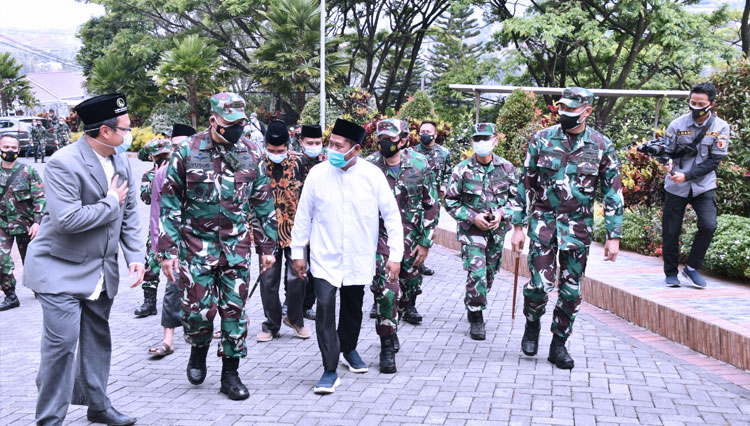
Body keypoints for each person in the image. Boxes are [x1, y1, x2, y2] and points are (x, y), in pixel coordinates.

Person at [24, 93, 146, 426]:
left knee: (97, 340)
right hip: (59, 268)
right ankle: (49, 418)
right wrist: (109, 201)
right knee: (62, 345)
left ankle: (98, 406)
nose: (129, 132)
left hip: (100, 270)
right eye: (125, 127)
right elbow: (67, 220)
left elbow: (131, 211)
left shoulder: (120, 161)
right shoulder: (63, 162)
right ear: (104, 131)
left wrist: (135, 255)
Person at [158, 92, 278, 400]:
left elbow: (263, 202)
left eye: (241, 123)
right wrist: (167, 250)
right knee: (197, 312)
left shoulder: (251, 152)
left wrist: (268, 247)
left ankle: (231, 373)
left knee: (233, 312)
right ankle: (198, 348)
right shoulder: (187, 151)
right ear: (213, 121)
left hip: (236, 247)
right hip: (196, 246)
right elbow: (169, 202)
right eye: (230, 123)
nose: (237, 129)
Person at [510, 87, 623, 370]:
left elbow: (612, 192)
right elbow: (525, 184)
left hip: (578, 229)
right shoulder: (542, 139)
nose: (565, 115)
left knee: (571, 292)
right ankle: (532, 323)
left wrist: (614, 236)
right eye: (562, 109)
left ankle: (559, 344)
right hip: (543, 224)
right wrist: (517, 226)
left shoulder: (601, 145)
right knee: (538, 286)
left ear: (587, 111)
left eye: (572, 111)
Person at [291, 118, 404, 394]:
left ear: (355, 150)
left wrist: (396, 255)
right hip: (324, 256)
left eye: (338, 146)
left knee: (353, 307)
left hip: (357, 255)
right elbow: (303, 216)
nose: (331, 150)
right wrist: (297, 252)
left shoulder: (372, 175)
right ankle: (329, 369)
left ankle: (349, 349)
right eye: (330, 144)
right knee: (325, 308)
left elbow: (392, 216)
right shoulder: (318, 174)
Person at [365, 118, 438, 373]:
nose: (385, 144)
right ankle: (387, 342)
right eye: (381, 140)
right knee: (385, 290)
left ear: (404, 140)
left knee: (406, 292)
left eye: (391, 140)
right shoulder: (370, 166)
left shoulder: (420, 164)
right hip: (382, 240)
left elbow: (432, 205)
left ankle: (395, 317)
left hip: (412, 239)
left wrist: (426, 243)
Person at [444, 123, 520, 341]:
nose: (481, 143)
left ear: (495, 141)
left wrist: (502, 214)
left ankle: (475, 300)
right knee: (476, 272)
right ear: (472, 142)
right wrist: (472, 217)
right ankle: (476, 315)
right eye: (477, 139)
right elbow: (450, 200)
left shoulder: (506, 169)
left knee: (489, 272)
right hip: (472, 232)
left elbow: (517, 200)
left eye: (486, 139)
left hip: (496, 232)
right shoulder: (462, 170)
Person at [662, 82, 730, 289]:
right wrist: (667, 163)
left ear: (711, 104)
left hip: (703, 185)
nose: (696, 107)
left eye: (701, 103)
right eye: (692, 102)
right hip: (676, 186)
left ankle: (692, 268)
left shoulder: (721, 127)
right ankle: (671, 273)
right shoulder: (676, 125)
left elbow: (714, 161)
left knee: (709, 225)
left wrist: (688, 175)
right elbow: (666, 152)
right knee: (671, 230)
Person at [256, 120, 311, 342]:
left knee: (298, 278)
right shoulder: (257, 163)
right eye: (271, 150)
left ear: (288, 146)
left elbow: (309, 195)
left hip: (295, 229)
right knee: (268, 281)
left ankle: (296, 320)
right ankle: (271, 325)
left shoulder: (301, 162)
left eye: (280, 151)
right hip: (266, 230)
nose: (275, 154)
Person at [0, 135, 45, 311]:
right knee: (1, 260)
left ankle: (39, 289)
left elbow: (40, 198)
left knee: (32, 261)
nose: (9, 151)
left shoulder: (28, 171)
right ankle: (10, 294)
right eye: (6, 147)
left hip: (26, 226)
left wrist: (37, 222)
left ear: (19, 150)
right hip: (2, 225)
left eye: (13, 147)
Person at [295, 124, 326, 321]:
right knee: (296, 266)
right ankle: (292, 304)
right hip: (297, 222)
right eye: (310, 143)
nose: (314, 146)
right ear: (301, 143)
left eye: (317, 143)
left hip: (320, 224)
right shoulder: (294, 164)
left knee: (315, 268)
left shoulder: (327, 164)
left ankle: (307, 305)